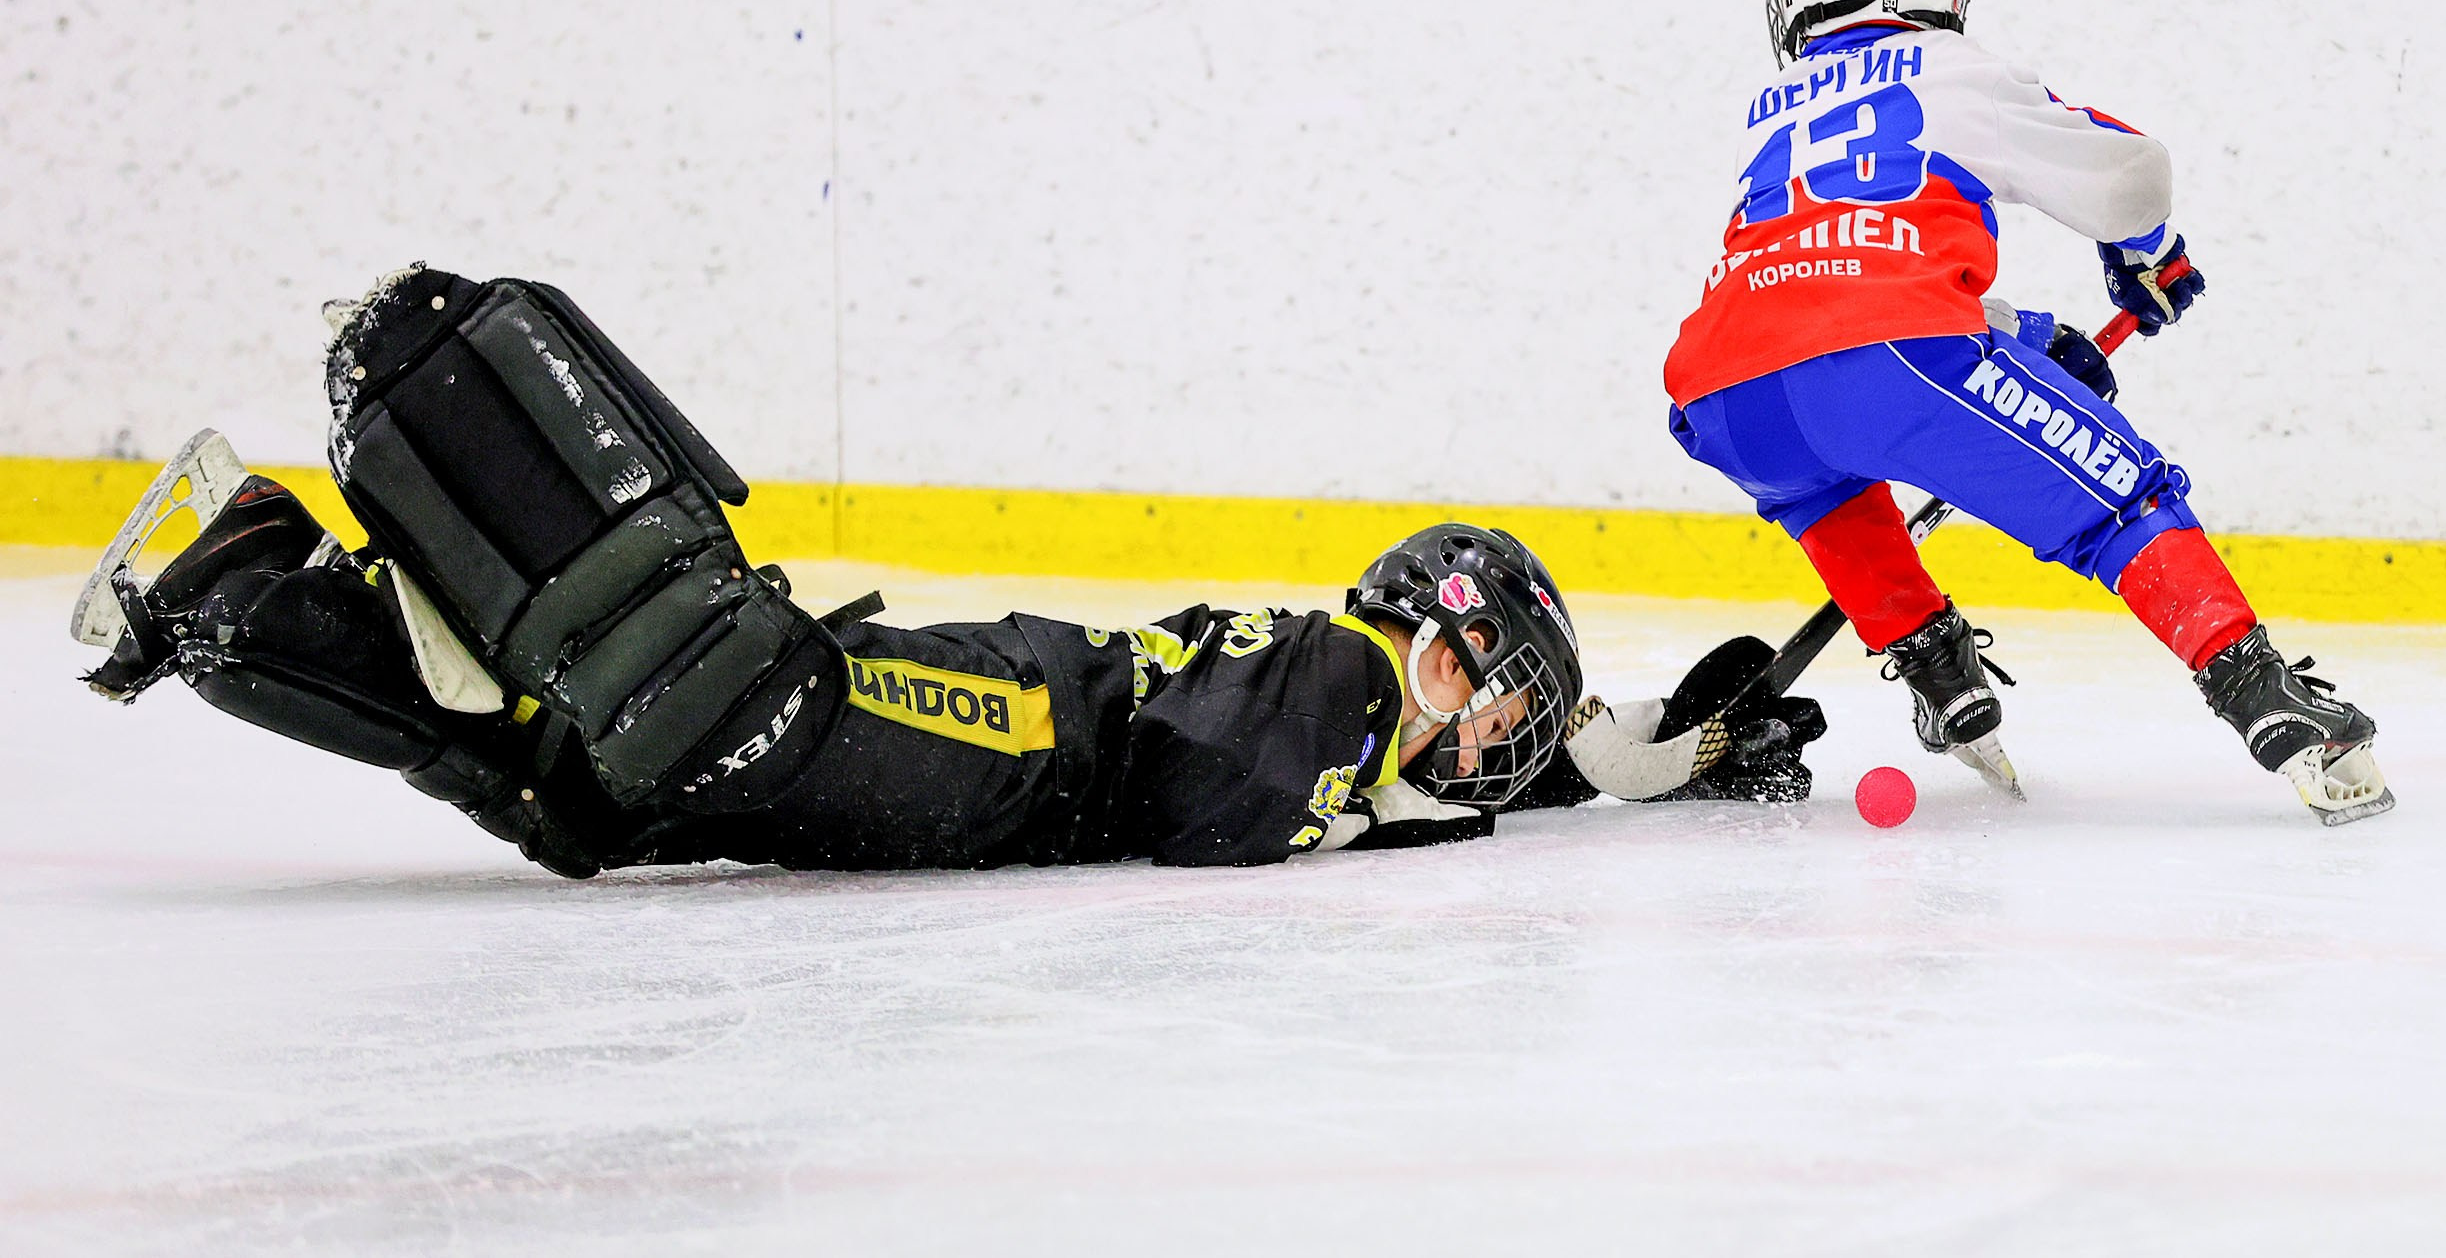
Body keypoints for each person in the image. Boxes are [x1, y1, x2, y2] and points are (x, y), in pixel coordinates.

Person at [68, 267, 1824, 879]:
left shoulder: (1369, 725)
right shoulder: (1338, 680)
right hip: (1028, 727)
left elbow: (1472, 785)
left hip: (1024, 762)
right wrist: (1533, 783)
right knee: (727, 702)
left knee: (595, 803)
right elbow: (1216, 796)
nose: (1487, 731)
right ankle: (420, 459)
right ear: (1426, 631)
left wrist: (1668, 749)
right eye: (1490, 683)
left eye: (1507, 712)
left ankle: (246, 589)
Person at [1661, 0, 2392, 825]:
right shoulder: (1959, 71)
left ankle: (1939, 667)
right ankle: (2263, 695)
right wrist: (2147, 255)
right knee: (2119, 496)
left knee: (1825, 491)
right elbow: (2130, 175)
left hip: (1723, 395)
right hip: (1889, 361)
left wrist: (2037, 336)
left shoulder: (1775, 110)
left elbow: (1830, 276)